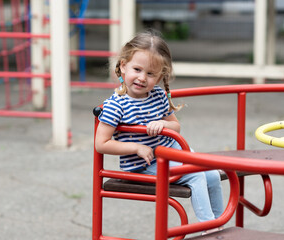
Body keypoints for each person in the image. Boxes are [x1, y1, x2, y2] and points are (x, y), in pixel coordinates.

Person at [95, 30, 224, 231]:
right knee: (196, 176)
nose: (142, 78)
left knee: (213, 174)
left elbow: (176, 126)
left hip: (169, 154)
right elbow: (101, 143)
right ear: (123, 66)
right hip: (144, 163)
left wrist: (164, 124)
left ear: (160, 76)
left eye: (150, 73)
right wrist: (136, 148)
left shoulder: (157, 95)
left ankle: (219, 224)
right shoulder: (116, 105)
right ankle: (209, 228)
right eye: (137, 69)